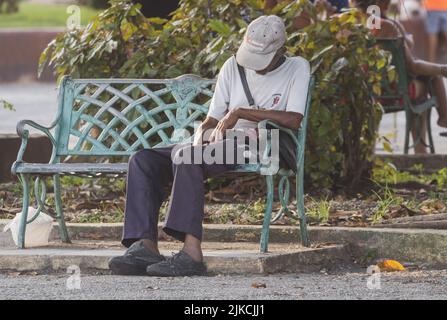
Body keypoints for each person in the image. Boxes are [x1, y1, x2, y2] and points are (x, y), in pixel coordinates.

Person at [108, 15, 311, 277]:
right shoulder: (232, 66)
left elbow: (294, 119)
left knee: (188, 158)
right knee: (143, 160)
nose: (253, 65)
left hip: (259, 143)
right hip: (221, 141)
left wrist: (240, 112)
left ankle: (192, 253)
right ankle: (145, 245)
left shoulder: (296, 67)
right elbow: (213, 118)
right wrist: (203, 134)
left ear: (279, 49)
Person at [354, 0, 447, 149]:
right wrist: (443, 69)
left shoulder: (346, 22)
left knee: (428, 75)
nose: (388, 4)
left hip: (359, 91)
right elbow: (413, 66)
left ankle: (444, 119)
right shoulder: (388, 26)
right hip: (388, 93)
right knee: (427, 82)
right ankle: (423, 148)